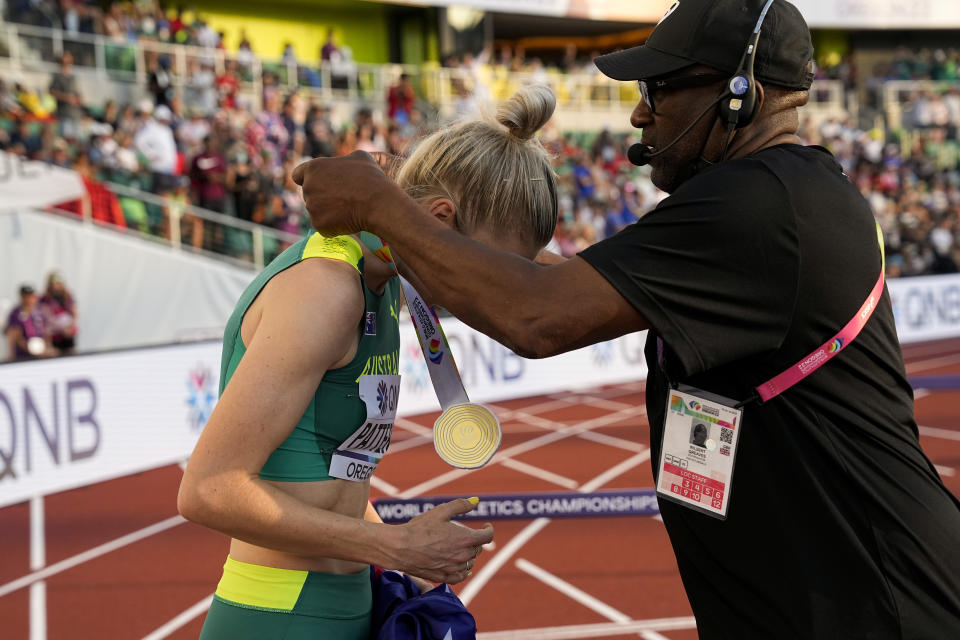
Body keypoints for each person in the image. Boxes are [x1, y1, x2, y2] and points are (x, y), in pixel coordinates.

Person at [291, 1, 960, 638]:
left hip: (872, 608)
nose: (640, 114)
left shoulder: (756, 206)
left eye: (659, 89)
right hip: (844, 597)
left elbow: (535, 317)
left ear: (738, 93)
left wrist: (379, 207)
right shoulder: (785, 192)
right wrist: (432, 221)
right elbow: (566, 280)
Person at [178, 84, 559, 640]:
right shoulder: (326, 290)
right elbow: (207, 489)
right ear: (440, 218)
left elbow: (327, 480)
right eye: (491, 266)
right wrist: (397, 545)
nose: (491, 291)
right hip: (276, 620)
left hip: (343, 605)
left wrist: (407, 562)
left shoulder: (378, 281)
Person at [4, 285, 50, 361]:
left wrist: (46, 348)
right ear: (22, 297)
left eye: (31, 296)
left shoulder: (39, 311)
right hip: (23, 356)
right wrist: (31, 350)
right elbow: (15, 336)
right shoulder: (16, 313)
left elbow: (46, 331)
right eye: (27, 296)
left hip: (41, 353)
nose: (30, 299)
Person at [39, 272, 78, 356]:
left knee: (70, 354)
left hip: (68, 334)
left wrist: (71, 327)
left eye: (57, 283)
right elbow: (47, 318)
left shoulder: (67, 296)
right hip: (54, 335)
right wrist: (61, 328)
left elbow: (74, 312)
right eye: (53, 284)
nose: (55, 286)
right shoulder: (44, 299)